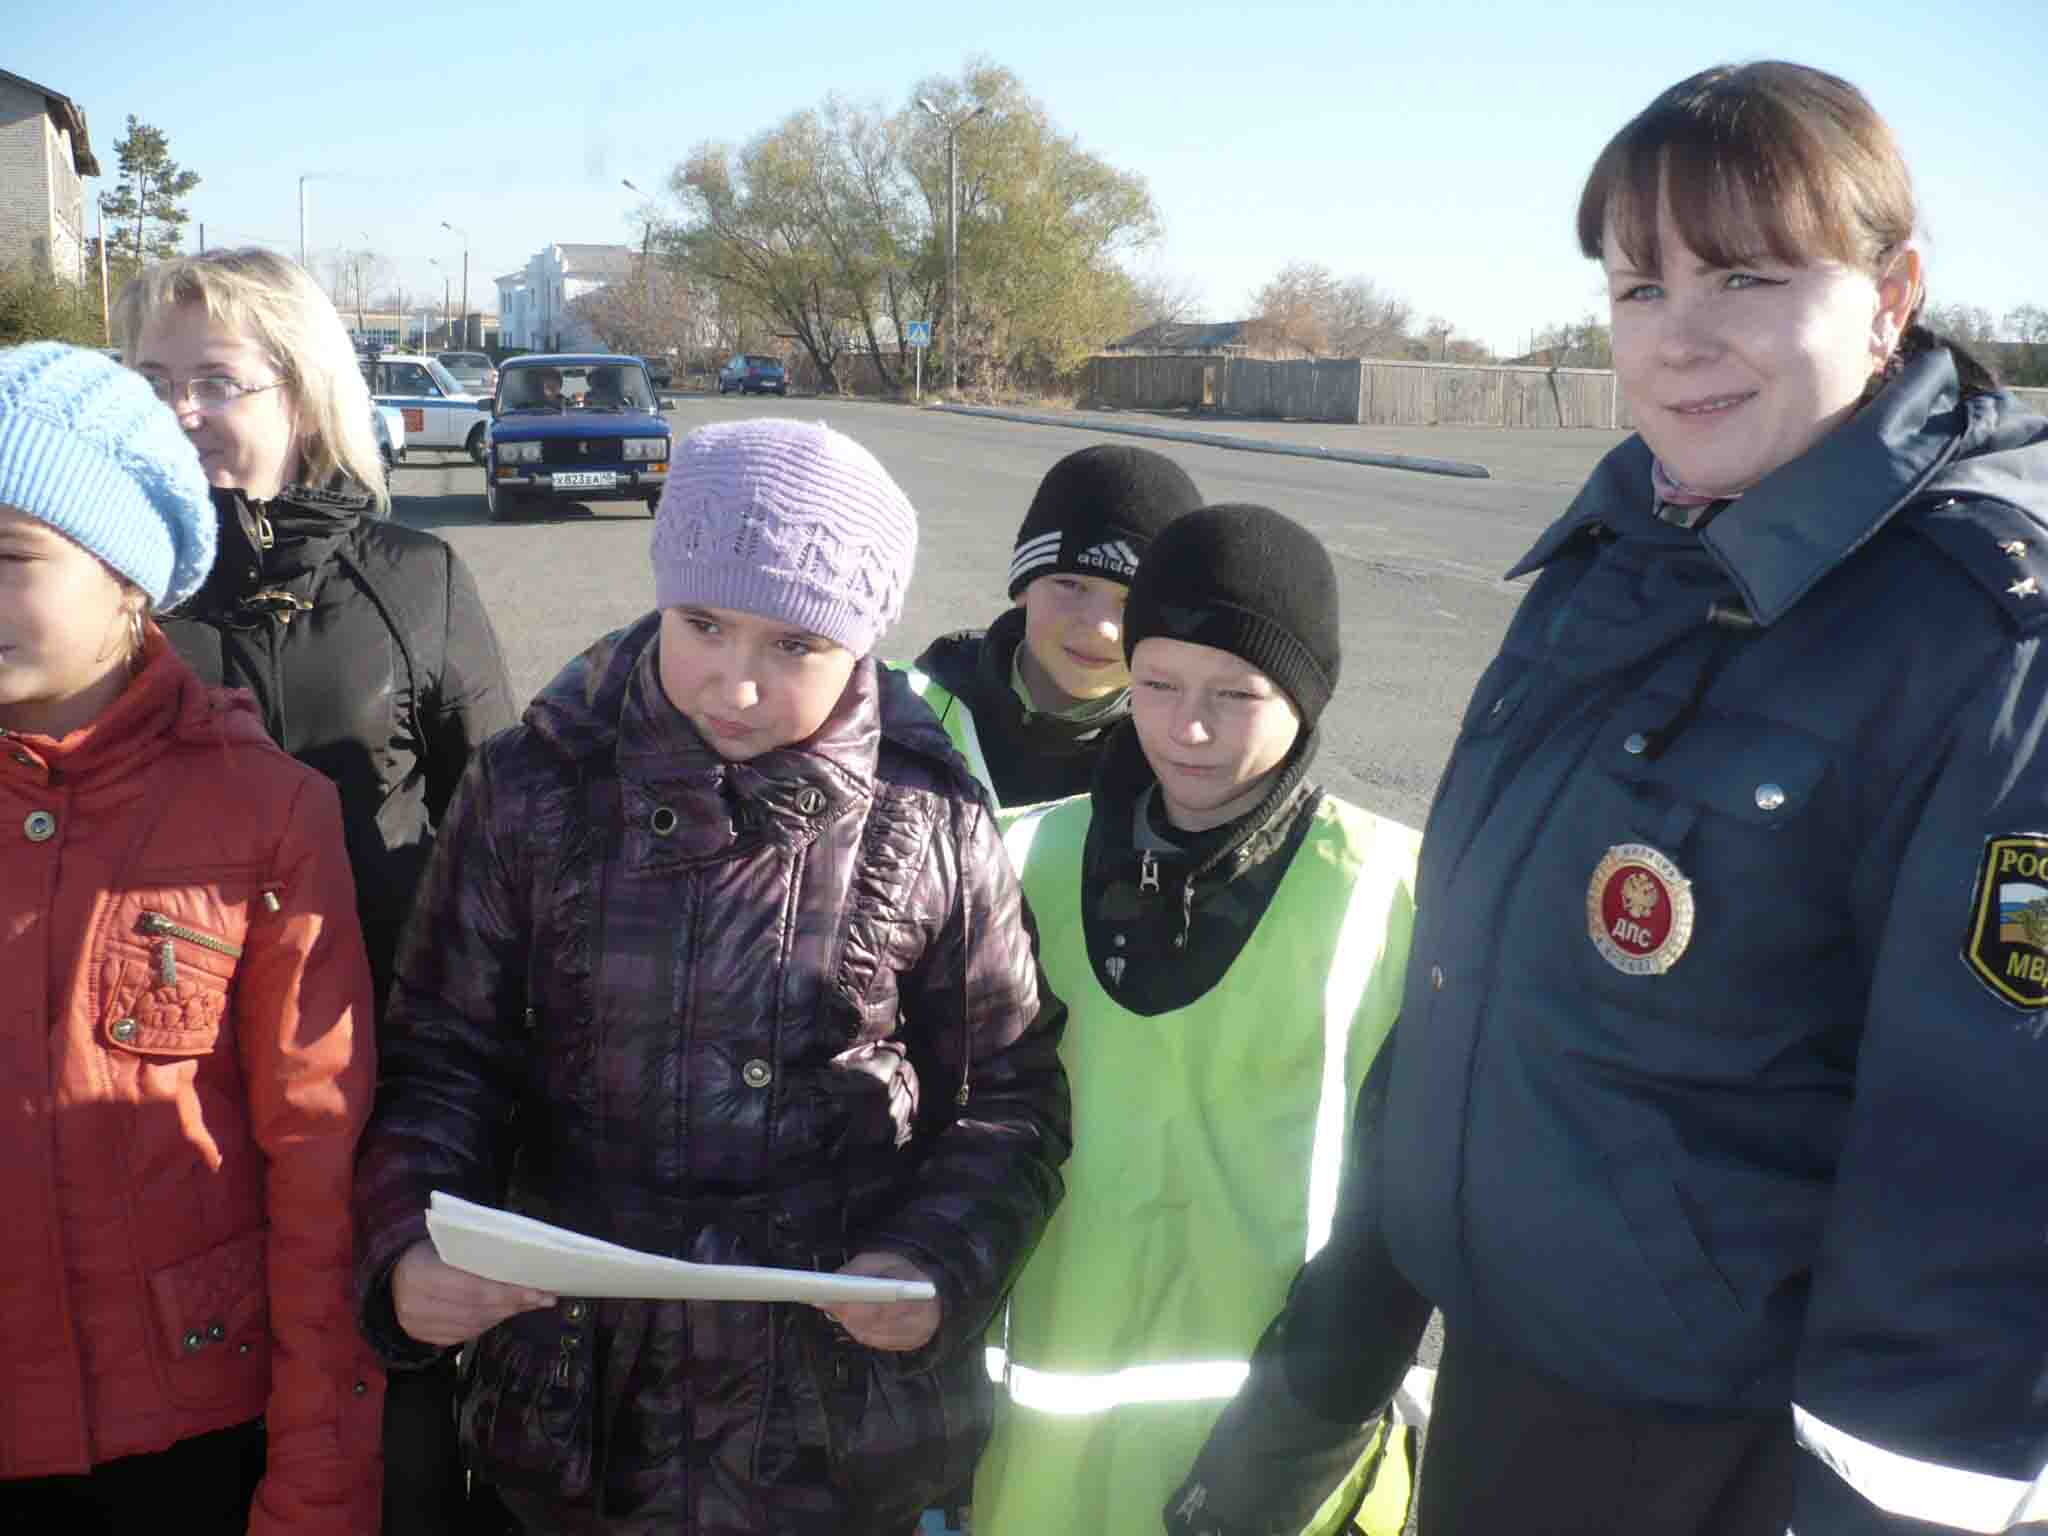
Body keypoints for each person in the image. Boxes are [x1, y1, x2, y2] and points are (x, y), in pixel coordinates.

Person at [1201, 61, 2048, 1536]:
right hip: (1516, 1407)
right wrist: (1322, 1374)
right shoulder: (1616, 561)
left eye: (1744, 275)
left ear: (1891, 292)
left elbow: (1979, 1198)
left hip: (1739, 1466)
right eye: (1637, 286)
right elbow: (1472, 1000)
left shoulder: (1978, 647)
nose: (1680, 340)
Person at [351, 418, 1072, 1535]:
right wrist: (407, 1240)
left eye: (794, 646)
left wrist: (936, 1260)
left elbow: (1009, 1096)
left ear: (864, 646)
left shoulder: (932, 813)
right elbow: (443, 1053)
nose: (735, 686)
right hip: (574, 1421)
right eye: (705, 627)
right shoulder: (532, 785)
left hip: (835, 1436)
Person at [114, 247, 516, 1535]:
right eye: (151, 379)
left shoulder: (415, 578)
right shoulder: (114, 590)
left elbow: (501, 827)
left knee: (387, 1432)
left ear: (299, 393)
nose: (179, 410)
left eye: (215, 380)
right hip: (169, 1077)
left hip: (388, 1080)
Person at [972, 504, 1420, 1536]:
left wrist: (1274, 1471)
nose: (1189, 731)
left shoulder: (1395, 895)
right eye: (1158, 685)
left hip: (1279, 1478)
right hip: (1024, 1476)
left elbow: (1397, 1237)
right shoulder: (1015, 859)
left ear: (1307, 700)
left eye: (1238, 694)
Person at [0, 342, 381, 1532]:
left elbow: (319, 1173)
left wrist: (316, 1487)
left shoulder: (264, 813)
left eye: (12, 558)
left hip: (184, 1438)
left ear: (126, 580)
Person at [905, 443, 1202, 806]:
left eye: (1132, 602)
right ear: (1024, 587)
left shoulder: (1191, 762)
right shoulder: (899, 709)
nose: (1100, 628)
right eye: (1071, 585)